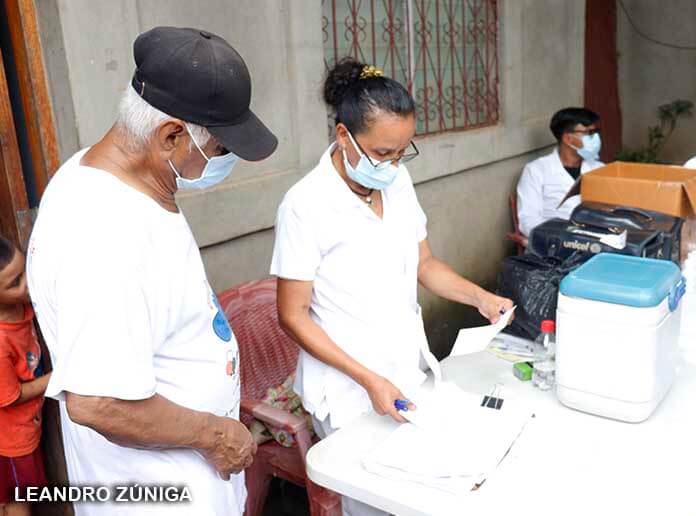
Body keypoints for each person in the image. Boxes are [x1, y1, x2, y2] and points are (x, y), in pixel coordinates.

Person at [26, 27, 277, 516]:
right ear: (171, 136)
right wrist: (216, 434)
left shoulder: (119, 180)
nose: (225, 161)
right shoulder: (102, 231)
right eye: (221, 149)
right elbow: (99, 402)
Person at [271, 58, 513, 516]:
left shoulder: (397, 181)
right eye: (382, 153)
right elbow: (292, 314)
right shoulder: (305, 205)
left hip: (405, 373)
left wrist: (479, 297)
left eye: (402, 152)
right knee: (375, 502)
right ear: (343, 136)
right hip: (348, 390)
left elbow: (425, 263)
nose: (393, 164)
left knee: (427, 493)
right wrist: (368, 379)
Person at [0, 236, 49, 516]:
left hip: (25, 430)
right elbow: (11, 396)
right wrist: (56, 378)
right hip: (10, 442)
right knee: (18, 500)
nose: (27, 282)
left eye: (25, 270)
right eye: (15, 282)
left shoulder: (22, 307)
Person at [516, 107, 605, 237]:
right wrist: (562, 237)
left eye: (595, 132)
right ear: (568, 139)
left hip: (595, 239)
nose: (595, 137)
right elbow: (528, 220)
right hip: (554, 240)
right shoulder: (536, 170)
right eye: (589, 133)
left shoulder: (599, 169)